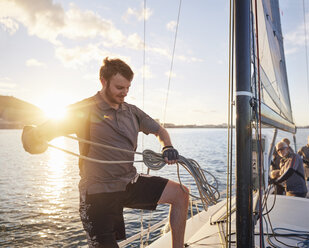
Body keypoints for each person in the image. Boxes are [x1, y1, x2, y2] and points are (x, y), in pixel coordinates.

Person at [21, 57, 189, 248]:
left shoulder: (132, 111)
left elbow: (160, 130)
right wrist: (30, 136)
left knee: (181, 194)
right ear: (103, 81)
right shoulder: (82, 110)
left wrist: (167, 146)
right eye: (119, 88)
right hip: (97, 195)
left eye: (128, 88)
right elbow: (40, 136)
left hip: (128, 183)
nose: (124, 93)